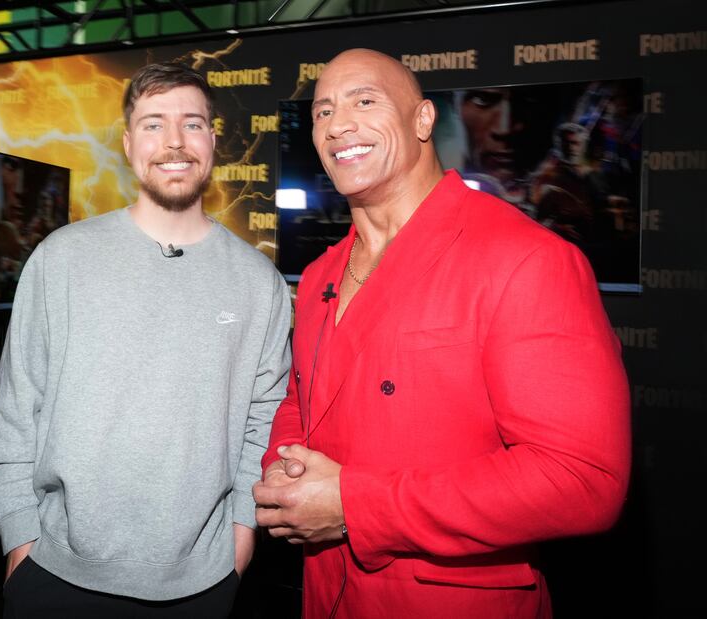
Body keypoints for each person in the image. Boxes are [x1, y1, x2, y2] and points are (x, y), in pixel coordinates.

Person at [253, 49, 630, 619]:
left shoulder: (525, 258)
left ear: (424, 120)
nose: (340, 124)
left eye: (365, 101)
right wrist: (284, 470)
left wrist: (356, 505)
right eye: (323, 112)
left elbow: (580, 479)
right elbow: (303, 400)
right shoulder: (321, 276)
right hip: (326, 594)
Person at [0, 62, 292, 617]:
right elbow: (14, 413)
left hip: (202, 583)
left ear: (213, 140)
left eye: (192, 123)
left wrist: (241, 538)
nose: (173, 142)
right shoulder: (61, 259)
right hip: (53, 572)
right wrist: (19, 539)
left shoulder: (257, 282)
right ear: (128, 143)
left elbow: (262, 425)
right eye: (153, 124)